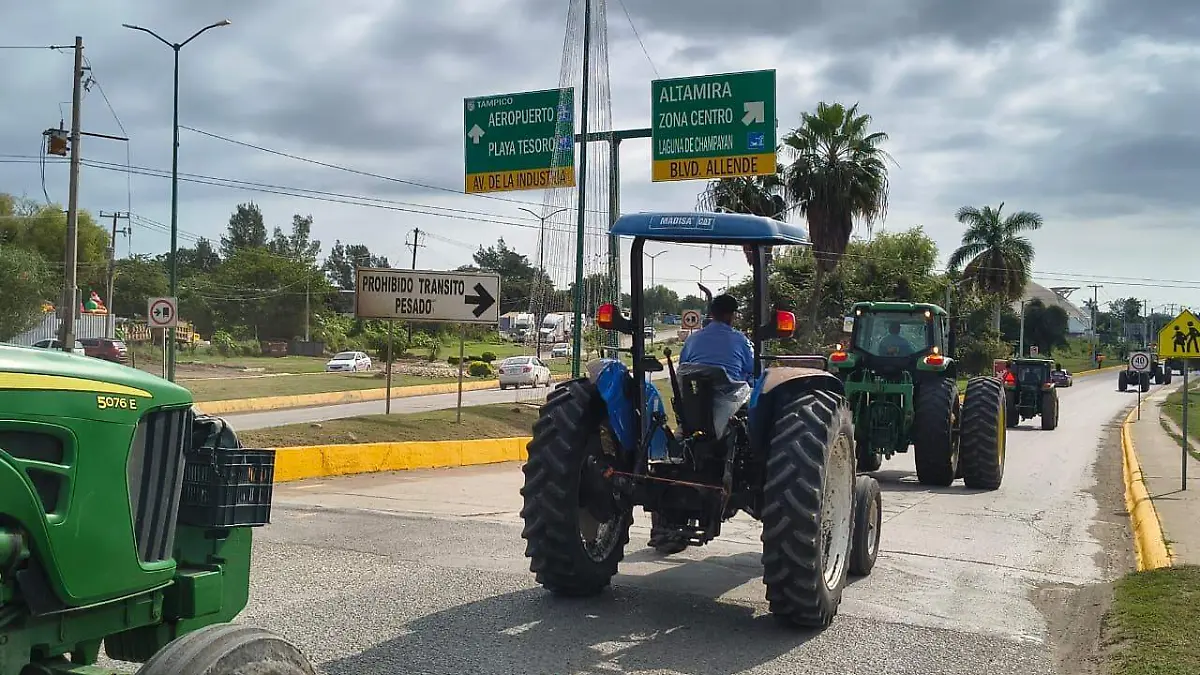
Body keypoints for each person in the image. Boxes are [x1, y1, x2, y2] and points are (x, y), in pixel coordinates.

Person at [678, 293, 754, 384]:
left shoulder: (692, 339)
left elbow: (682, 366)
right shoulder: (740, 340)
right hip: (731, 395)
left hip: (697, 396)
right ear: (731, 315)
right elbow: (754, 368)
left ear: (712, 314)